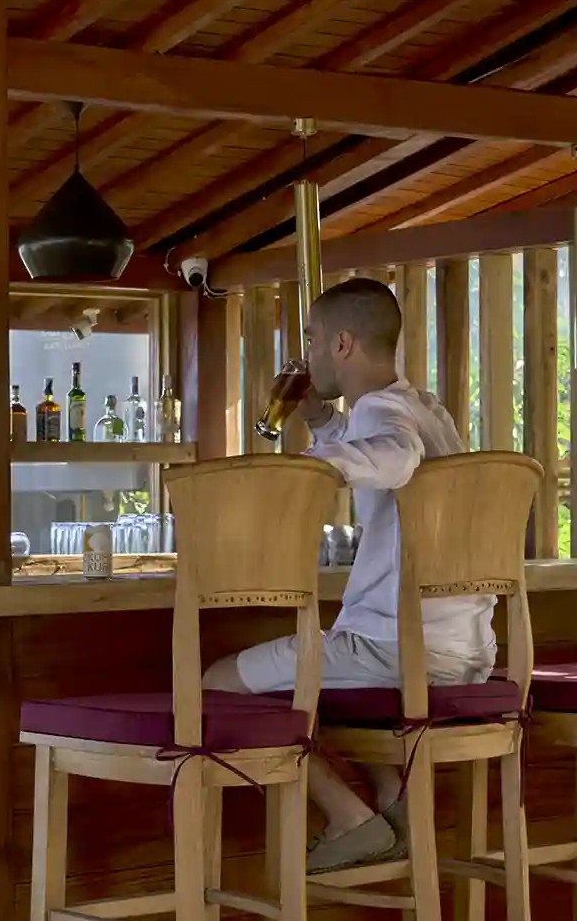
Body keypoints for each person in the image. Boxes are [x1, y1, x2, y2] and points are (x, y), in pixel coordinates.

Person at [205, 276, 492, 872]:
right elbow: (389, 444)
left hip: (394, 650)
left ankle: (348, 817)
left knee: (216, 684)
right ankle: (391, 800)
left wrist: (304, 472)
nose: (307, 353)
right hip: (461, 652)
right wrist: (322, 422)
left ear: (341, 344)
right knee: (322, 683)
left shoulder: (382, 413)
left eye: (312, 339)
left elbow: (394, 455)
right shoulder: (424, 408)